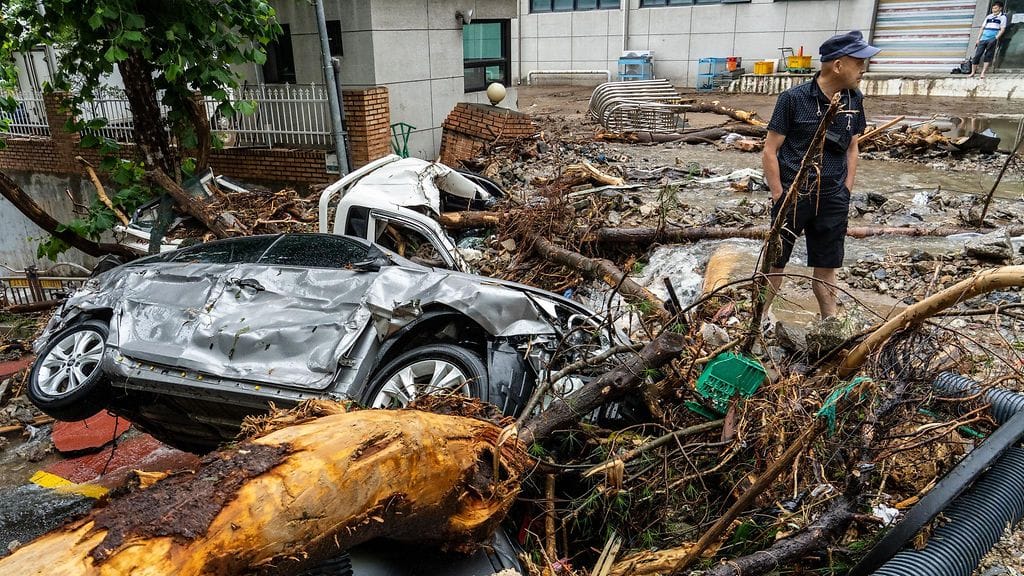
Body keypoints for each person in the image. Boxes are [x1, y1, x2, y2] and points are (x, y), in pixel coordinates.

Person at [761, 30, 880, 322]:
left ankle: (830, 325)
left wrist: (846, 189)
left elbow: (852, 147)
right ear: (838, 65)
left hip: (833, 198)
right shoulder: (793, 99)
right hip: (793, 195)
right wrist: (779, 195)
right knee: (775, 263)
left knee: (827, 267)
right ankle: (758, 320)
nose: (863, 69)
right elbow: (770, 150)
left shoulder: (854, 99)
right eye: (859, 62)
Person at [968, 1, 1008, 79]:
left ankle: (983, 73)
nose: (994, 9)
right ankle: (972, 72)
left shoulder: (1003, 17)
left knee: (988, 55)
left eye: (996, 8)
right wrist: (978, 39)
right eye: (993, 8)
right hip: (983, 38)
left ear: (1000, 8)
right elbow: (982, 28)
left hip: (992, 38)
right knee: (977, 55)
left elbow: (1002, 29)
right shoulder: (989, 16)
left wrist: (996, 38)